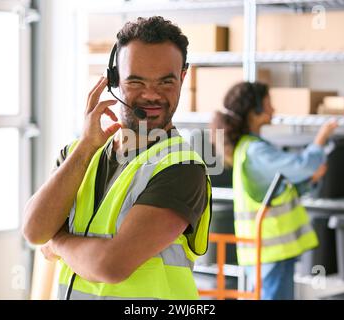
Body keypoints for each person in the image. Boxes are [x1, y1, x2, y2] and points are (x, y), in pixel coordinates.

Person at [22, 16, 212, 300]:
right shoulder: (79, 153)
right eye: (136, 81)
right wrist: (86, 146)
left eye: (165, 82)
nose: (151, 95)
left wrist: (58, 241)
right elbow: (35, 231)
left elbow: (111, 265)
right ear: (113, 80)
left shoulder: (181, 168)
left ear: (183, 78)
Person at [211, 82, 338, 300]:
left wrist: (309, 181)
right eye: (269, 104)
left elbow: (281, 191)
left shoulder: (249, 148)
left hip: (272, 252)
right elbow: (302, 166)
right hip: (271, 252)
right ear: (255, 110)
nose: (273, 110)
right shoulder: (255, 151)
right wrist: (321, 138)